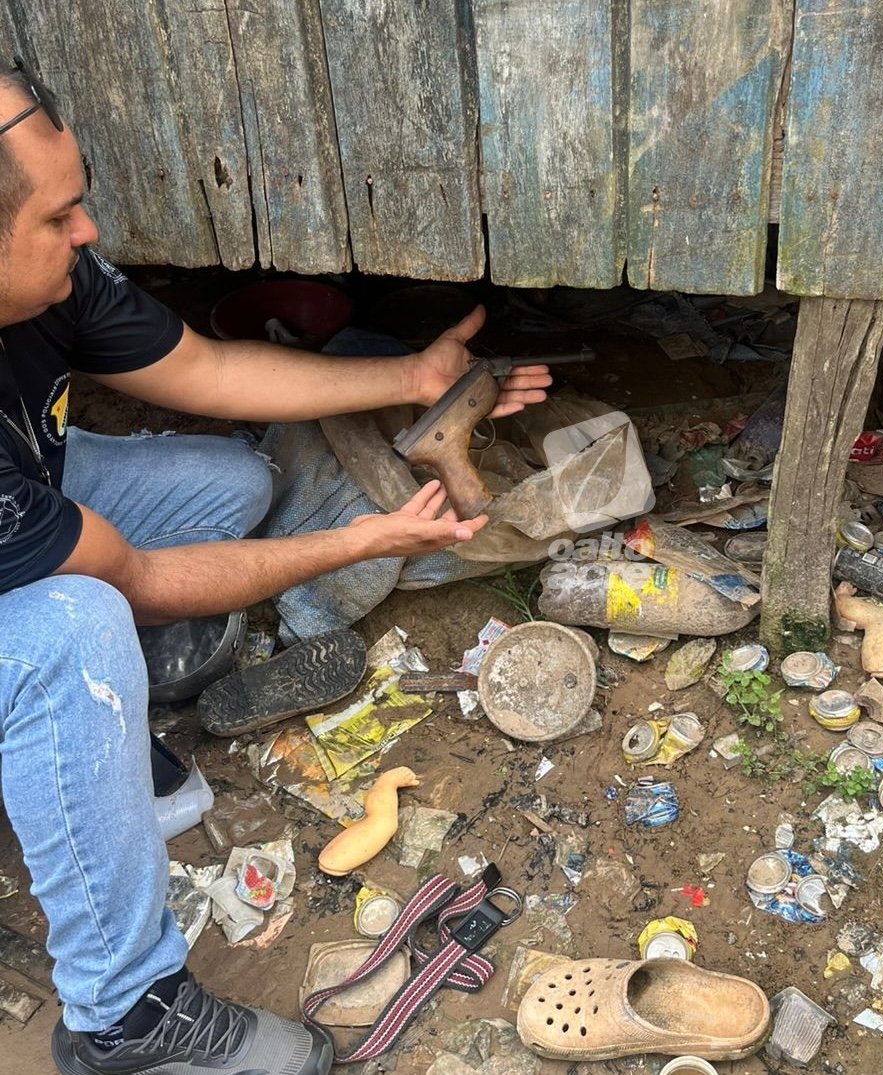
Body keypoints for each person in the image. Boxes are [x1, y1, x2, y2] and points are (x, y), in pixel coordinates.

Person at [0, 59, 551, 1075]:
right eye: (58, 216)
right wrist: (361, 541)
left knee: (229, 485)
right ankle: (123, 1016)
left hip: (25, 492)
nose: (88, 230)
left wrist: (412, 376)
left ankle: (91, 734)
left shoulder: (46, 285)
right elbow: (137, 583)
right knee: (76, 623)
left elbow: (207, 368)